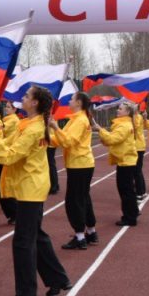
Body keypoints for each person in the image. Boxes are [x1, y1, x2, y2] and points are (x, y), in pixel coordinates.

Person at [0, 86, 71, 296]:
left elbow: (11, 156)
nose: (23, 98)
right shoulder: (30, 125)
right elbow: (12, 149)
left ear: (35, 103)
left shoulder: (33, 129)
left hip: (30, 187)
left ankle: (27, 294)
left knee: (23, 242)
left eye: (27, 96)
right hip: (30, 185)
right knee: (36, 236)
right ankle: (58, 278)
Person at [50, 92, 98, 250]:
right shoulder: (76, 119)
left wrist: (55, 127)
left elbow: (68, 141)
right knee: (83, 198)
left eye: (71, 99)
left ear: (78, 103)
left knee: (74, 201)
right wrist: (47, 135)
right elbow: (62, 139)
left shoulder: (80, 120)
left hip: (79, 164)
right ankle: (91, 232)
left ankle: (80, 236)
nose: (68, 101)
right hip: (80, 163)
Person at [94, 101, 140, 227]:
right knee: (128, 189)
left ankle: (129, 217)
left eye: (120, 109)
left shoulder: (124, 126)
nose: (117, 110)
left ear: (127, 112)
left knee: (125, 190)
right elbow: (112, 140)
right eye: (118, 108)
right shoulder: (123, 124)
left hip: (126, 161)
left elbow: (112, 139)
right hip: (125, 160)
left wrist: (100, 130)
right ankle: (133, 212)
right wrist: (103, 136)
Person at [133, 108, 148, 199]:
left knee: (137, 171)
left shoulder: (137, 117)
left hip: (138, 146)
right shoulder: (136, 116)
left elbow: (135, 126)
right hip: (137, 146)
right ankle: (141, 191)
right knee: (137, 170)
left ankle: (140, 192)